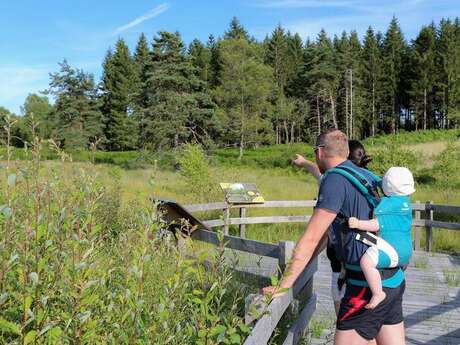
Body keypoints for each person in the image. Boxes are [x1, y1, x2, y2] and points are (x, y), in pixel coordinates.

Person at [263, 129, 406, 345]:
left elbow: (310, 238)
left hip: (364, 286)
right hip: (392, 280)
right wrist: (306, 262)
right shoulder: (365, 176)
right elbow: (325, 235)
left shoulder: (334, 180)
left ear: (319, 152)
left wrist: (283, 286)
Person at [292, 139, 373, 314]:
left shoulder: (336, 181)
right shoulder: (368, 181)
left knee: (346, 320)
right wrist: (304, 162)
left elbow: (314, 237)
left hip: (347, 267)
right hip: (372, 263)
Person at [348, 167, 415, 309]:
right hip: (407, 251)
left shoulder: (389, 205)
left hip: (391, 251)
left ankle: (378, 293)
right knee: (367, 239)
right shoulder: (405, 203)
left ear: (387, 189)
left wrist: (358, 223)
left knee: (366, 262)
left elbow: (377, 224)